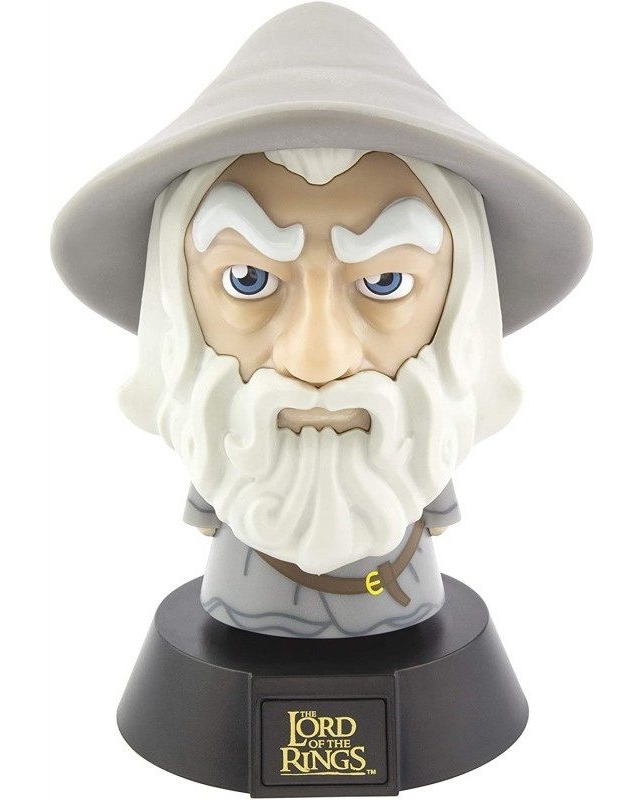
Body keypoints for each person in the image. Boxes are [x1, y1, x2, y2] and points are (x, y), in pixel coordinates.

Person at [51, 3, 591, 638]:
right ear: (180, 302)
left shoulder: (419, 446)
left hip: (406, 603)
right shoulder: (228, 449)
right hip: (240, 604)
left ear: (457, 303)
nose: (317, 359)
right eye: (247, 279)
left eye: (385, 282)